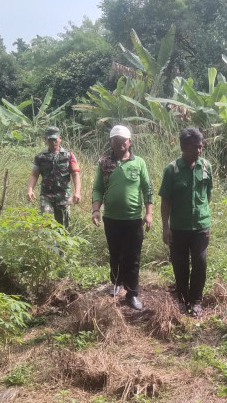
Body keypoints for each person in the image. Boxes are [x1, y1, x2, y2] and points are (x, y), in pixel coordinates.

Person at [91, 125, 153, 311]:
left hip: (133, 219)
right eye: (115, 141)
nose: (119, 144)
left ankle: (132, 293)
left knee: (132, 257)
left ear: (129, 142)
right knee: (115, 253)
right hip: (111, 218)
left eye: (123, 141)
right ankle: (117, 282)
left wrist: (148, 213)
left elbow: (147, 188)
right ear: (111, 142)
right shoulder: (104, 163)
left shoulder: (139, 162)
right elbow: (97, 188)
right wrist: (95, 210)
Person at [159, 127, 213, 317]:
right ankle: (182, 299)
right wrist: (166, 228)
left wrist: (203, 213)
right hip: (178, 228)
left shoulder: (206, 166)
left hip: (200, 226)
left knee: (200, 262)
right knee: (180, 264)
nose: (198, 151)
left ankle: (196, 300)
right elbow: (165, 200)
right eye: (194, 147)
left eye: (200, 147)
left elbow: (208, 194)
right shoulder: (172, 170)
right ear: (183, 148)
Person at [27, 126, 81, 229]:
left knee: (64, 227)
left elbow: (75, 174)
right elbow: (34, 175)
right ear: (45, 139)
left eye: (55, 139)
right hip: (46, 196)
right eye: (50, 139)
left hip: (63, 196)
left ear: (60, 138)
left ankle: (62, 245)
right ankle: (49, 245)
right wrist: (30, 190)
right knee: (47, 225)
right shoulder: (40, 157)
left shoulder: (69, 155)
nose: (52, 142)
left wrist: (77, 192)